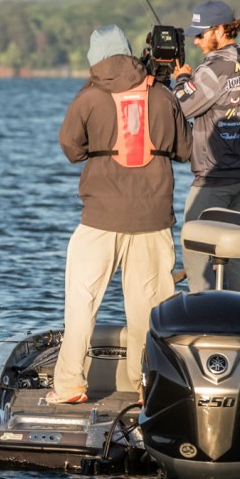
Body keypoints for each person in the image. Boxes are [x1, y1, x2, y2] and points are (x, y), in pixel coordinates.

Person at [48, 24, 192, 405]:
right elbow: (186, 149)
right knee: (149, 309)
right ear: (131, 53)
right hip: (153, 218)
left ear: (95, 60)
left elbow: (70, 148)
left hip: (100, 217)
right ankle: (148, 386)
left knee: (81, 302)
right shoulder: (162, 95)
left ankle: (70, 386)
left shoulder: (89, 98)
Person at [171, 0, 240, 293]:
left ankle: (203, 311)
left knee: (195, 246)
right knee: (239, 252)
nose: (196, 41)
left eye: (200, 34)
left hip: (215, 179)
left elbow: (181, 106)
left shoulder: (214, 69)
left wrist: (182, 79)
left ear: (220, 30)